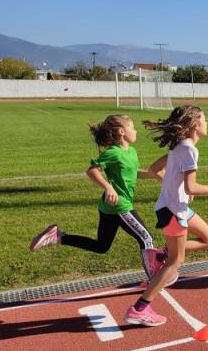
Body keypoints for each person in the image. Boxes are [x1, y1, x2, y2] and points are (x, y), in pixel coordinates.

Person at [124, 105, 208, 327]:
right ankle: (139, 308)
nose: (207, 123)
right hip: (174, 211)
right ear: (195, 125)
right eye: (204, 119)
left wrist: (175, 188)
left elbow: (154, 169)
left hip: (178, 207)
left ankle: (160, 255)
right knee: (176, 260)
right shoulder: (189, 150)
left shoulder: (177, 148)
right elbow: (192, 187)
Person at [30, 114, 166, 278]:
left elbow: (132, 172)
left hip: (108, 207)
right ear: (121, 131)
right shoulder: (113, 153)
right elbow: (92, 170)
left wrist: (154, 175)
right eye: (132, 127)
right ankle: (154, 280)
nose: (135, 131)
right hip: (119, 205)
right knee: (146, 238)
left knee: (101, 246)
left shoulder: (131, 152)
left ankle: (58, 236)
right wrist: (108, 187)